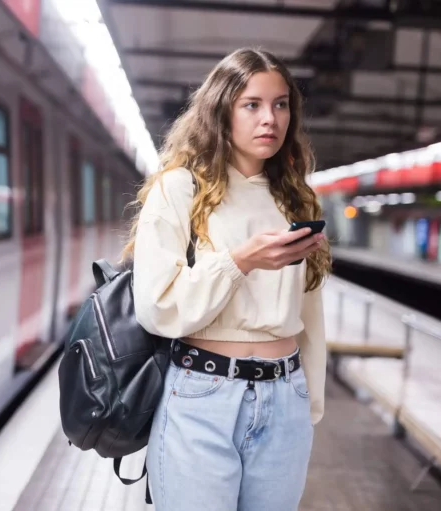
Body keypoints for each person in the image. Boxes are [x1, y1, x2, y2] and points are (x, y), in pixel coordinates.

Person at [121, 48, 331, 511]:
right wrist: (240, 261)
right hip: (202, 394)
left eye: (281, 104)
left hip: (285, 397)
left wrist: (309, 399)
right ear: (222, 109)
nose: (269, 119)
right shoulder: (180, 188)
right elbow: (157, 307)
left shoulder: (296, 198)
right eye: (251, 104)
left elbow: (308, 311)